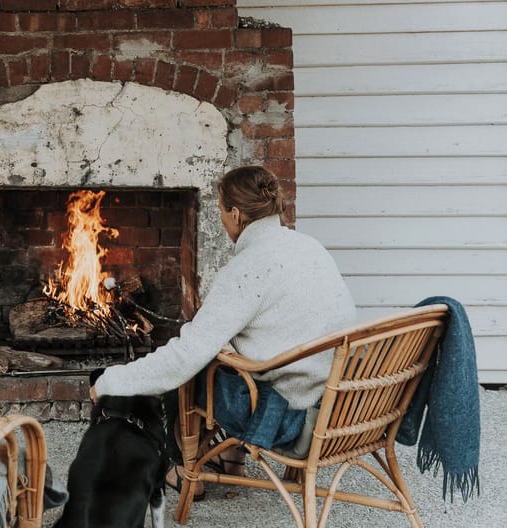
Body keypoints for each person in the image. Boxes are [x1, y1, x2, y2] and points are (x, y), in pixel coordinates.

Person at [90, 165, 357, 496]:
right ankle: (231, 456)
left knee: (193, 364)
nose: (220, 218)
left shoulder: (248, 268)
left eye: (219, 209)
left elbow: (185, 358)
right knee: (217, 352)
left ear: (235, 213)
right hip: (342, 406)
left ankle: (183, 471)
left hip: (295, 421)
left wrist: (111, 382)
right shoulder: (309, 246)